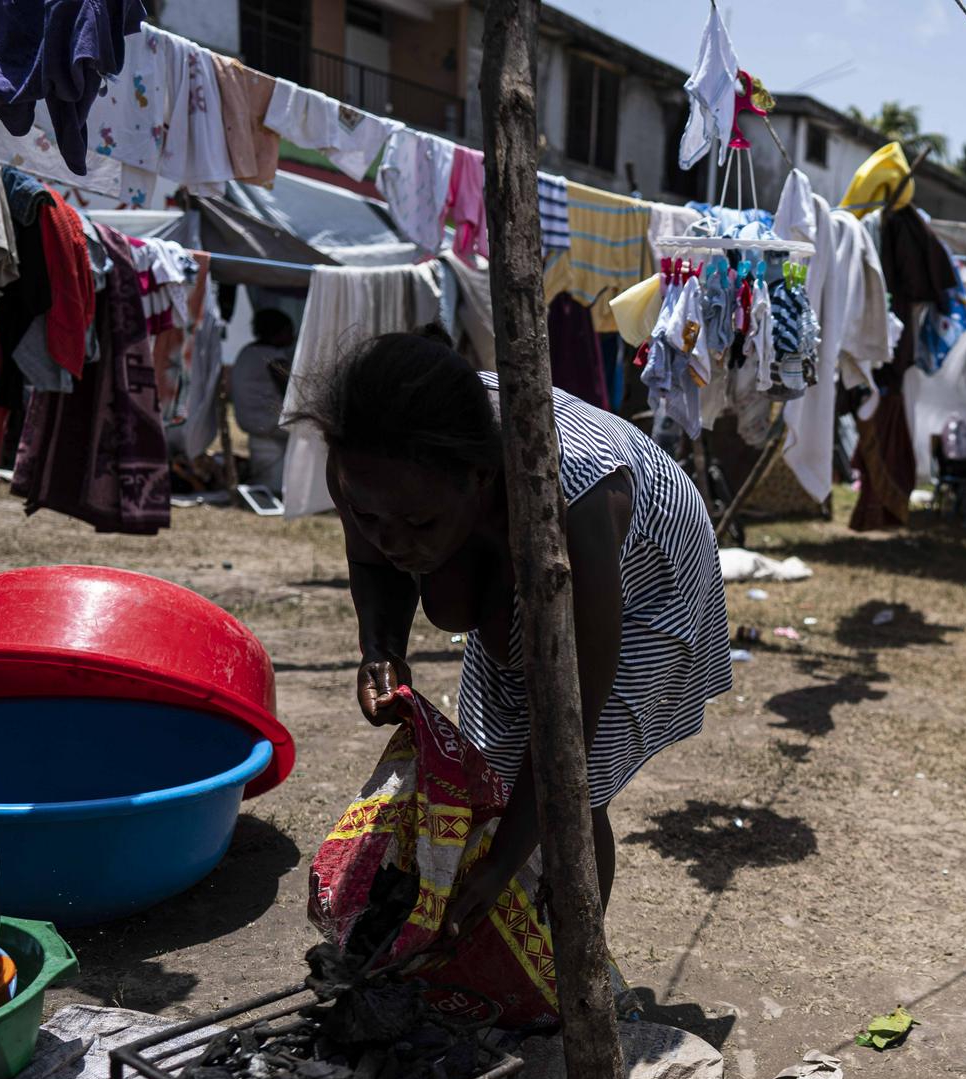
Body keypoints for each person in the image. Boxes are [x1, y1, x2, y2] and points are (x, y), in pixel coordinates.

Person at [297, 329, 730, 939]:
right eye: (370, 518)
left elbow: (571, 721)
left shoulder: (566, 496)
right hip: (506, 537)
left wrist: (502, 863)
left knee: (576, 801)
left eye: (417, 522)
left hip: (644, 571)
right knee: (496, 765)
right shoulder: (369, 462)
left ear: (478, 480)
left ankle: (573, 973)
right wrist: (381, 648)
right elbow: (372, 557)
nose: (389, 540)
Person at [228, 308, 296, 493]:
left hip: (249, 421)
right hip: (270, 422)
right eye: (289, 330)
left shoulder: (247, 352)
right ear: (279, 333)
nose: (293, 335)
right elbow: (293, 393)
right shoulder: (273, 357)